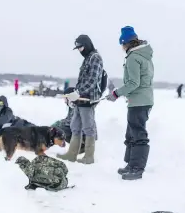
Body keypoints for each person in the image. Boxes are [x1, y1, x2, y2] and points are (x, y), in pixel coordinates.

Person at [106, 26, 154, 180]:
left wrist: (116, 93)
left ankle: (137, 169)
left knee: (138, 134)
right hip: (142, 100)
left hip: (139, 101)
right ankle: (130, 165)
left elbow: (133, 83)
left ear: (125, 43)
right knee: (131, 133)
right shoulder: (144, 56)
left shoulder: (133, 57)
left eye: (122, 44)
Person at [57, 34, 104, 164]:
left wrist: (78, 92)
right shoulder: (87, 58)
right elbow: (83, 80)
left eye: (81, 47)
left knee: (88, 128)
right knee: (75, 126)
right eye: (78, 48)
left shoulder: (95, 58)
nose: (79, 50)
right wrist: (75, 93)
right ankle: (72, 154)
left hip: (88, 99)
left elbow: (92, 81)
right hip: (80, 98)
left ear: (87, 45)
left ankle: (89, 156)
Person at [51, 87, 86, 154]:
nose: (64, 101)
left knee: (60, 129)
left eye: (65, 98)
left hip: (83, 134)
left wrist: (57, 126)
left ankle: (81, 146)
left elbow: (72, 122)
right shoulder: (72, 106)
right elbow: (68, 119)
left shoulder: (78, 106)